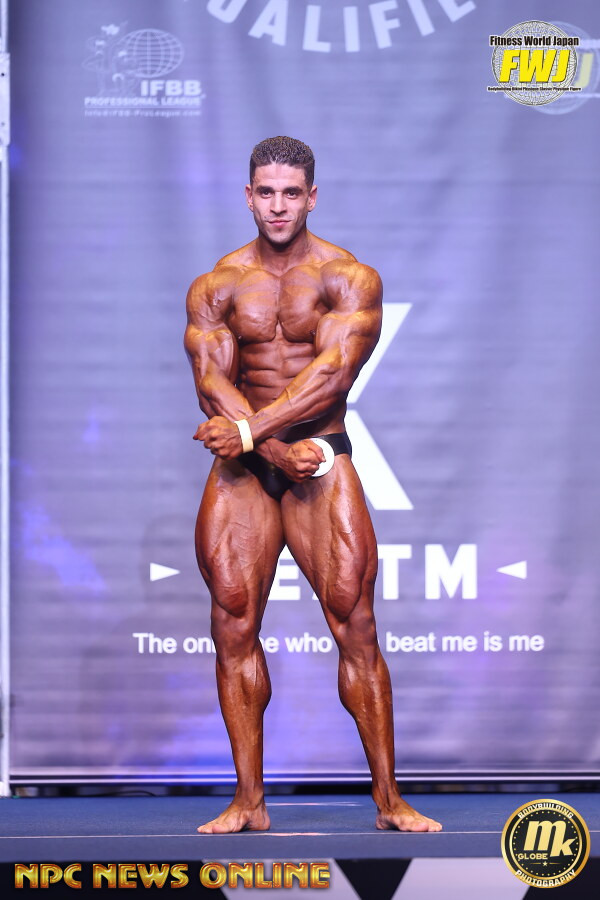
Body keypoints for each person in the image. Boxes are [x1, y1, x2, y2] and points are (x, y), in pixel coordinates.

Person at [184, 136, 442, 835]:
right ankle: (248, 801)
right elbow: (211, 382)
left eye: (291, 193)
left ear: (312, 197)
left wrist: (253, 432)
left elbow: (331, 376)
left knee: (355, 623)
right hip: (249, 463)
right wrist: (263, 444)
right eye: (266, 192)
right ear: (248, 196)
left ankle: (389, 801)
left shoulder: (348, 277)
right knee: (233, 620)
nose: (278, 206)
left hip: (320, 455)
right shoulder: (216, 285)